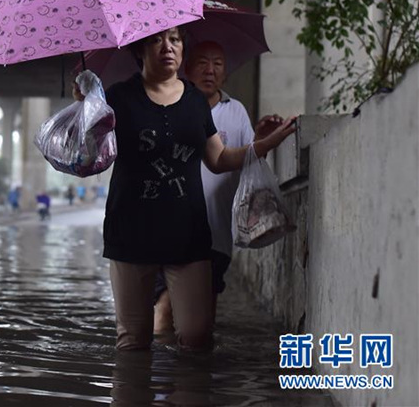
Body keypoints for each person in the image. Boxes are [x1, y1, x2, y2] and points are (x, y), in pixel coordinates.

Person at [74, 27, 295, 351]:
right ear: (140, 51)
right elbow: (92, 158)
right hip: (131, 234)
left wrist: (268, 142)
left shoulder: (194, 100)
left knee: (196, 335)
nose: (168, 47)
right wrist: (86, 112)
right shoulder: (118, 99)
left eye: (175, 40)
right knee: (132, 340)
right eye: (156, 40)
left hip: (188, 236)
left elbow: (219, 158)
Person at [152, 41, 286, 333]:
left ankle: (197, 374)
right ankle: (157, 375)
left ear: (226, 73)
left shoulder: (234, 111)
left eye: (218, 64)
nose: (210, 70)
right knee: (164, 306)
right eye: (202, 63)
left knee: (205, 314)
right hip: (172, 227)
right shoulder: (169, 106)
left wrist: (262, 139)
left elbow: (247, 158)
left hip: (216, 232)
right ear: (187, 68)